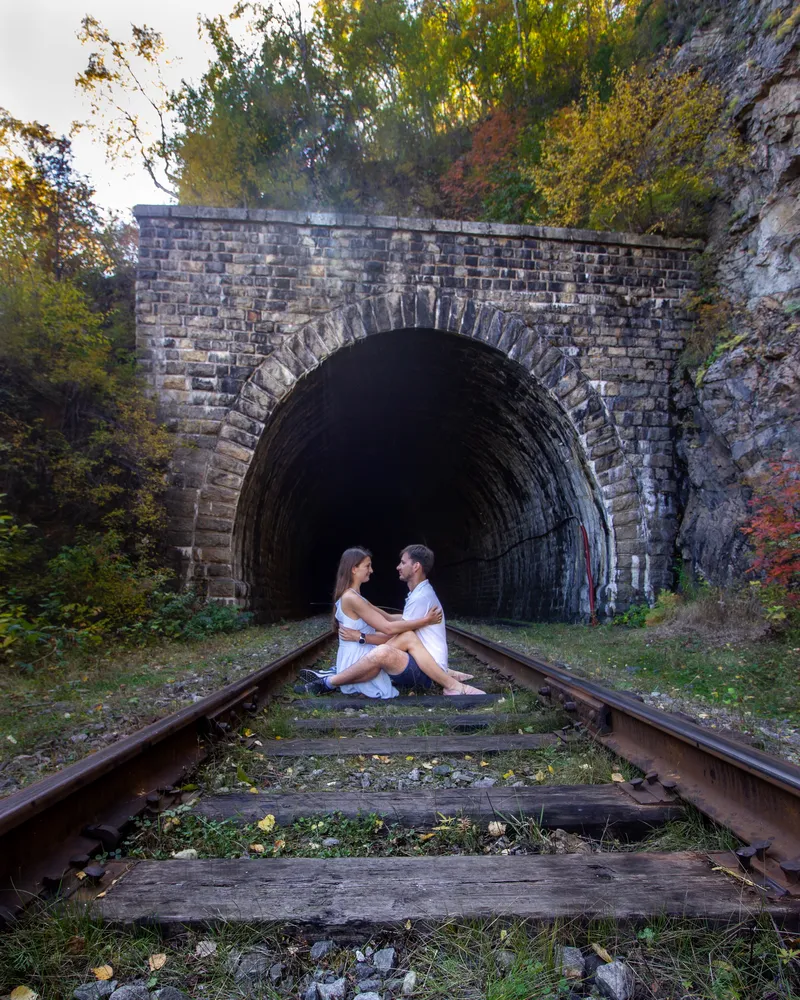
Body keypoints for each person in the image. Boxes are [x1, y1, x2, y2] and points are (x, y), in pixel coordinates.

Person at [298, 546, 484, 698]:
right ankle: (332, 677)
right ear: (354, 569)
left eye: (403, 562)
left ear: (416, 566)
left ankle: (330, 678)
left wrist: (362, 636)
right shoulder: (355, 597)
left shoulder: (420, 596)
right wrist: (424, 620)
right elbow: (389, 625)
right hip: (395, 660)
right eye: (367, 566)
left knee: (402, 638)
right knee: (405, 636)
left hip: (418, 666)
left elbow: (391, 624)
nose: (397, 567)